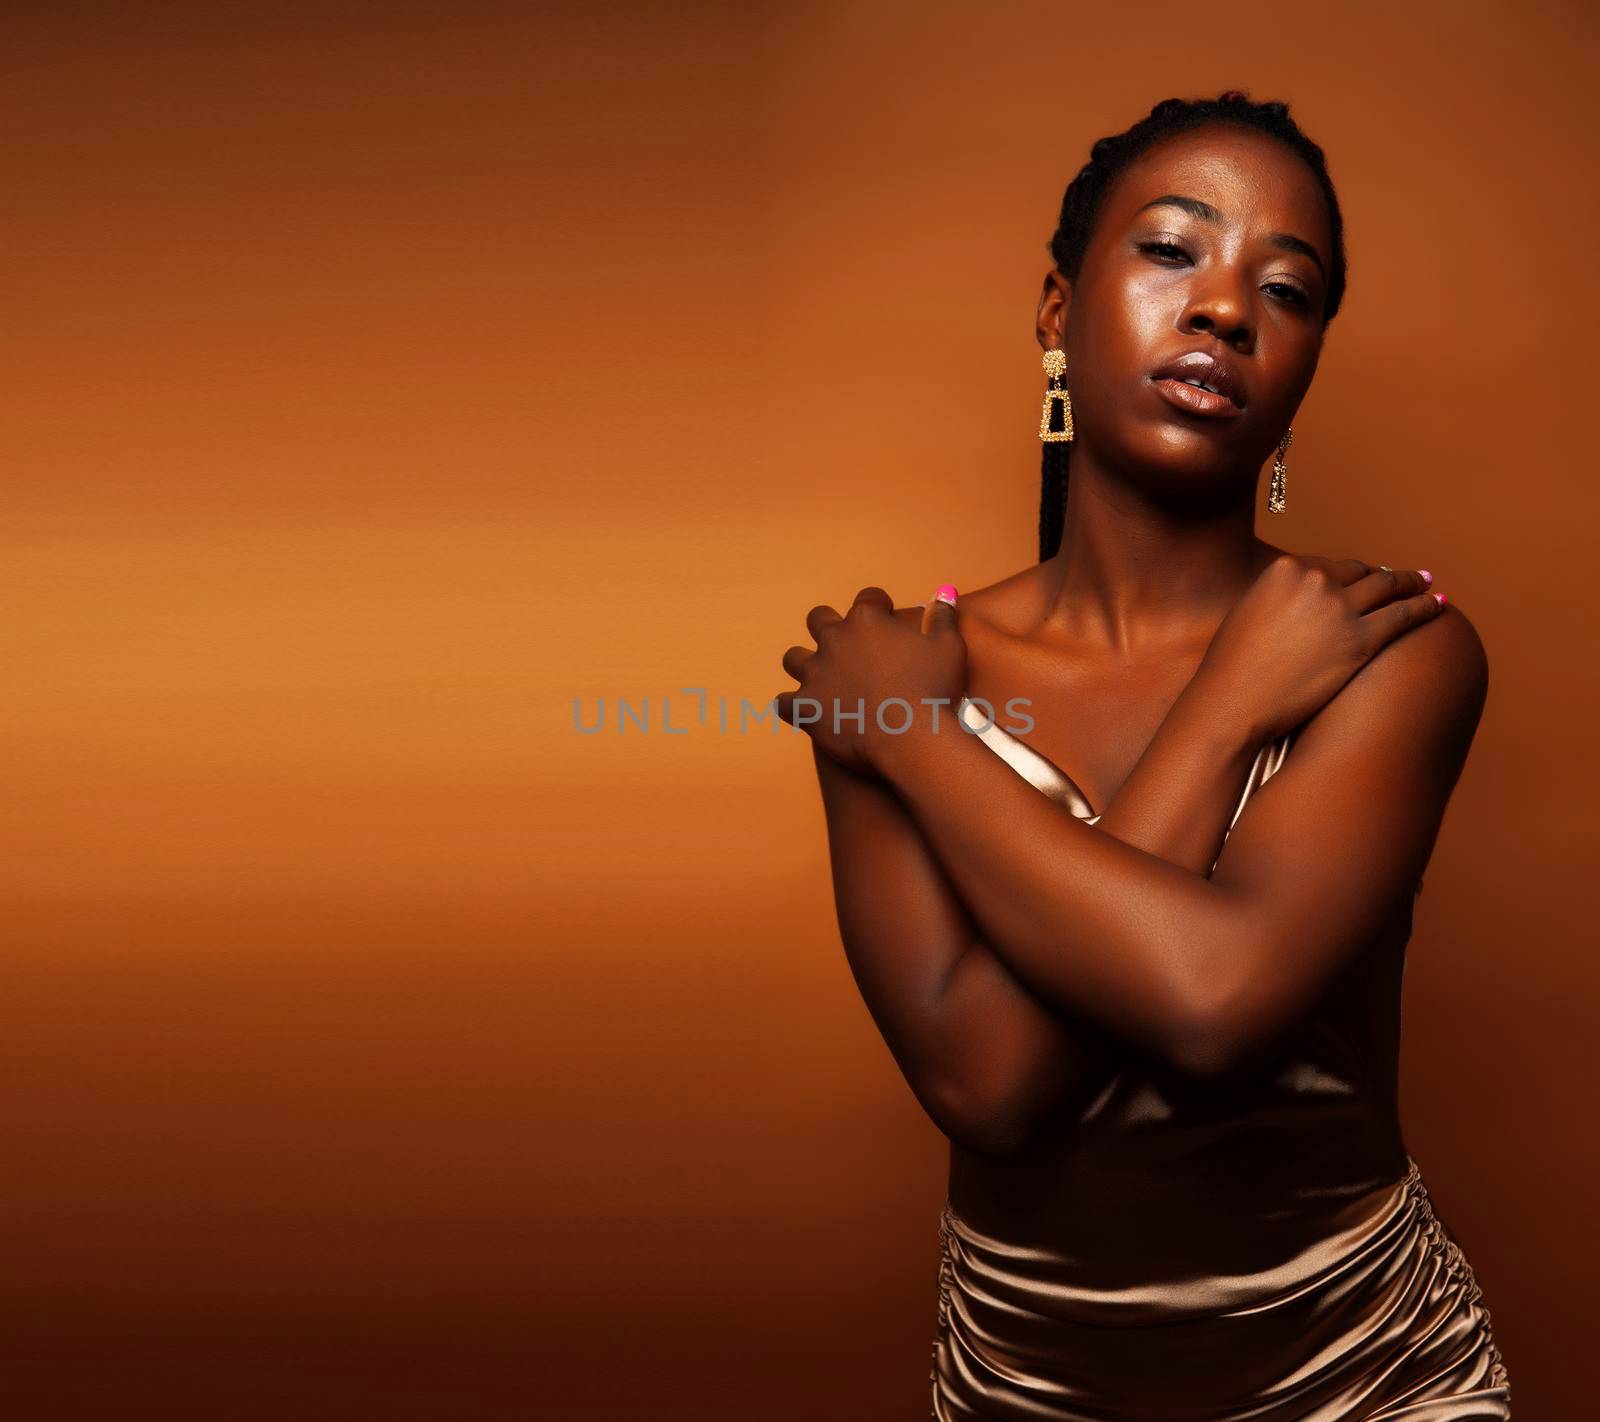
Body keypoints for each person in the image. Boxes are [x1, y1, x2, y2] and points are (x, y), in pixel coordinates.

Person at [774, 93, 1512, 1420]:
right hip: (1027, 1388)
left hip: (1364, 1379)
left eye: (1287, 289)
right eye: (1173, 250)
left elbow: (1212, 999)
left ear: (1304, 364)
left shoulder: (1391, 646)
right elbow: (989, 1085)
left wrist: (925, 743)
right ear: (1057, 313)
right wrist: (930, 720)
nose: (1226, 307)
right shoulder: (895, 668)